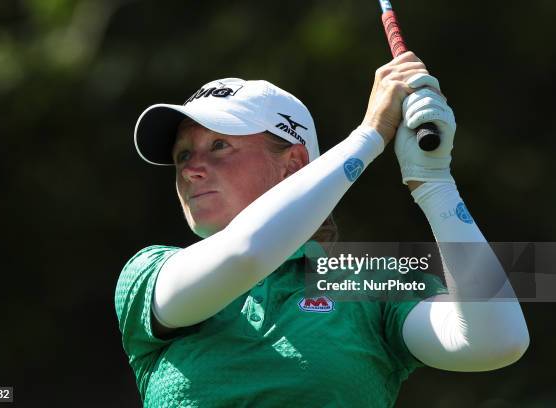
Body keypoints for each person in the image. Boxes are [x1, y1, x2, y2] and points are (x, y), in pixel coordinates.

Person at [115, 51, 530, 407]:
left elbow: (497, 340)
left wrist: (435, 184)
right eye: (183, 153)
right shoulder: (148, 272)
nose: (190, 169)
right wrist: (368, 137)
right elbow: (245, 253)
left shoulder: (368, 282)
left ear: (293, 164)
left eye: (219, 145)